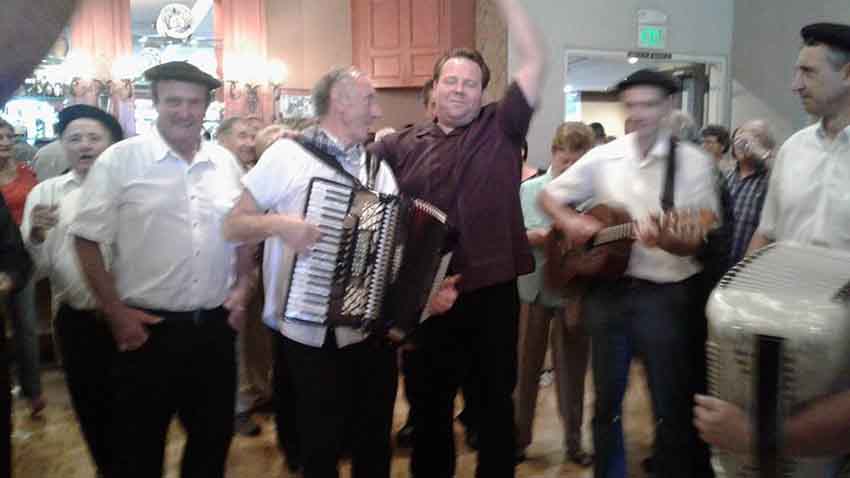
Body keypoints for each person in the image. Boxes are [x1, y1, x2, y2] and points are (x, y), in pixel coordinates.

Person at [224, 65, 459, 478]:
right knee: (320, 449)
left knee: (373, 447)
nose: (377, 110)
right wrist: (280, 226)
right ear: (340, 101)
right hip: (307, 333)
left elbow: (391, 254)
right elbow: (233, 225)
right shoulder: (287, 156)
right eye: (369, 99)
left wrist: (422, 298)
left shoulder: (378, 170)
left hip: (369, 334)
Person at [370, 0, 545, 476]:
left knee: (493, 409)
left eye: (471, 83)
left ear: (483, 92)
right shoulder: (398, 144)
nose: (461, 90)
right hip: (427, 301)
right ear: (435, 86)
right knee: (428, 410)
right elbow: (358, 188)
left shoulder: (502, 126)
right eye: (452, 80)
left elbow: (534, 61)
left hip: (491, 295)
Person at [71, 61, 254, 478]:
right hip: (147, 331)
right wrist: (115, 313)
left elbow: (243, 231)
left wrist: (243, 287)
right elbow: (85, 238)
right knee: (139, 450)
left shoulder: (225, 163)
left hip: (213, 329)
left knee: (212, 443)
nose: (184, 111)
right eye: (173, 101)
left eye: (194, 102)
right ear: (154, 103)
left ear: (208, 106)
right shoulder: (120, 161)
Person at [539, 69, 719, 478]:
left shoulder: (691, 164)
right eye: (631, 105)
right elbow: (550, 196)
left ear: (668, 107)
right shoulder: (606, 155)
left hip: (666, 297)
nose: (637, 115)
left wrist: (667, 239)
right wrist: (571, 224)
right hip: (609, 291)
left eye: (648, 105)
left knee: (668, 402)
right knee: (606, 403)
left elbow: (696, 238)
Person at [695, 22, 850, 465]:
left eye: (809, 72)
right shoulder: (795, 151)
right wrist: (734, 302)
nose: (794, 83)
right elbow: (767, 234)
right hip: (785, 329)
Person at [21, 104, 123, 476]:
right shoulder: (46, 193)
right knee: (90, 408)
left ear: (112, 144)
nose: (84, 146)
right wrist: (35, 233)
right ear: (62, 145)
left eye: (94, 137)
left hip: (131, 317)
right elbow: (37, 269)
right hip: (77, 318)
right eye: (74, 138)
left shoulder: (131, 190)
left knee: (137, 408)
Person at [514, 122, 593, 466]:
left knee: (572, 371)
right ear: (553, 154)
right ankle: (517, 440)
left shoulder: (596, 198)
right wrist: (552, 235)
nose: (570, 170)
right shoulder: (531, 190)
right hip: (532, 288)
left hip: (572, 292)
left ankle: (574, 442)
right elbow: (518, 236)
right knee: (523, 369)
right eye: (564, 162)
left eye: (578, 164)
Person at [0, 118, 44, 417]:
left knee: (25, 326)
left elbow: (38, 208)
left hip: (23, 255)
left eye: (8, 136)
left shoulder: (27, 173)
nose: (4, 141)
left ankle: (33, 391)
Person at [721, 120, 774, 265]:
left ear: (767, 147)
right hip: (716, 269)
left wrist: (761, 154)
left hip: (748, 270)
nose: (744, 141)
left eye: (755, 136)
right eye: (741, 135)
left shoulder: (772, 180)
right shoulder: (725, 177)